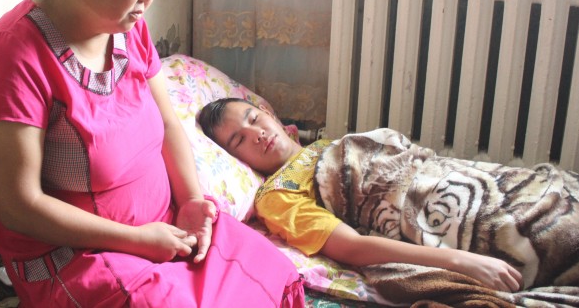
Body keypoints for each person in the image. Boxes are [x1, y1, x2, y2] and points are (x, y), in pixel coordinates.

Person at [0, 0, 304, 308]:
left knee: (273, 273)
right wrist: (137, 240)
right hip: (81, 255)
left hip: (162, 229)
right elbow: (19, 206)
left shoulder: (126, 25)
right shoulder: (13, 57)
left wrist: (191, 202)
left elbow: (169, 124)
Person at [197, 97, 526, 294]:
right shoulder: (277, 194)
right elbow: (351, 247)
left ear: (269, 114)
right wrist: (461, 261)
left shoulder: (325, 146)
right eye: (239, 140)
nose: (257, 134)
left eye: (254, 119)